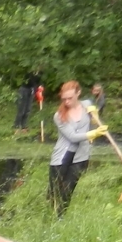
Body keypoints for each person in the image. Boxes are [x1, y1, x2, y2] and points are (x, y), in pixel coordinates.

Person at [49, 80, 96, 215]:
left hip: (81, 156)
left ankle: (60, 219)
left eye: (70, 98)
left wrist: (95, 116)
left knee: (68, 191)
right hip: (62, 157)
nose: (67, 102)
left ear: (78, 93)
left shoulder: (87, 105)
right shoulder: (59, 116)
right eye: (64, 99)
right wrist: (92, 134)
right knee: (55, 192)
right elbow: (73, 137)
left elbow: (93, 120)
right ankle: (51, 220)